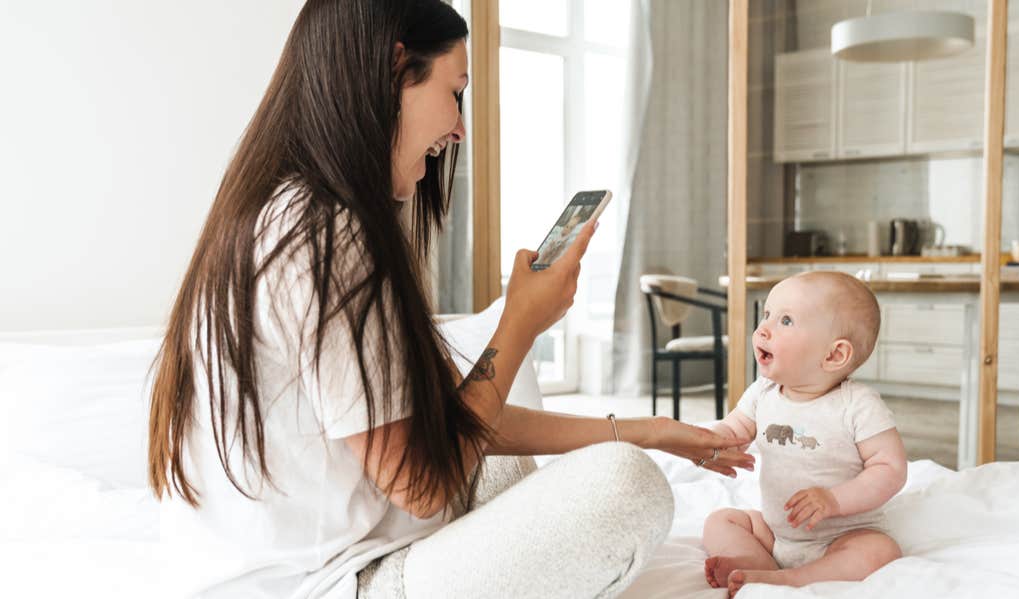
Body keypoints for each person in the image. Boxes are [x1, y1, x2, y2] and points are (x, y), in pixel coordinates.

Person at [145, 1, 753, 597]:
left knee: (507, 457)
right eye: (455, 91)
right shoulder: (324, 231)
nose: (459, 127)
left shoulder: (281, 208)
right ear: (394, 71)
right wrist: (520, 321)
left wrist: (650, 430)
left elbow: (449, 429)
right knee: (627, 488)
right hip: (333, 582)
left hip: (333, 558)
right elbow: (421, 484)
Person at [699, 271, 908, 596]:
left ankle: (792, 581)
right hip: (777, 534)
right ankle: (758, 567)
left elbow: (891, 470)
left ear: (834, 355)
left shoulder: (858, 405)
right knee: (721, 520)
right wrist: (706, 442)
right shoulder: (763, 392)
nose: (763, 329)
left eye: (785, 321)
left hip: (840, 537)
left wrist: (834, 500)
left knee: (880, 551)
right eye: (767, 314)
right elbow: (733, 430)